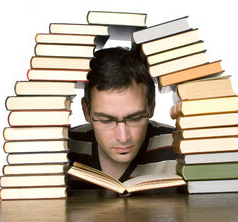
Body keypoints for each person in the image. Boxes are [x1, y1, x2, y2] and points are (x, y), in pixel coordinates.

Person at [68, 47, 176, 188]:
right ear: (86, 111)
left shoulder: (180, 147)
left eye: (135, 118)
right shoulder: (64, 149)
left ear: (152, 107)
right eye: (106, 120)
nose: (123, 137)